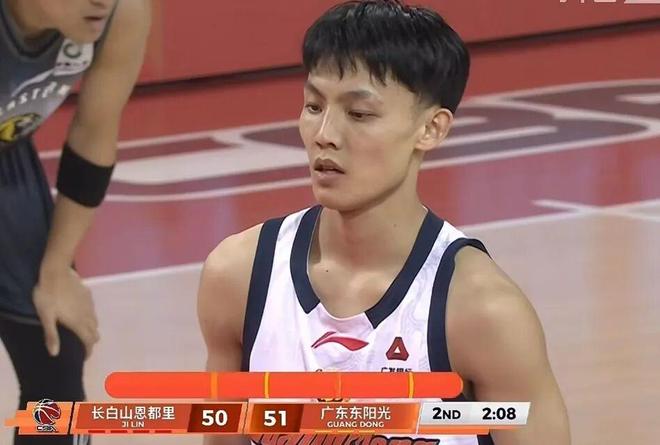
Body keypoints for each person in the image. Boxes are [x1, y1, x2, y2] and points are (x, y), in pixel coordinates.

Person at [198, 1, 570, 444]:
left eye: (359, 114)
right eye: (314, 106)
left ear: (431, 129)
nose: (325, 134)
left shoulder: (482, 313)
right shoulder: (238, 277)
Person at [0, 0, 150, 443]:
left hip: (7, 163)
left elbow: (93, 134)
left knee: (57, 350)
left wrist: (55, 270)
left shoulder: (123, 10)